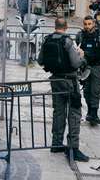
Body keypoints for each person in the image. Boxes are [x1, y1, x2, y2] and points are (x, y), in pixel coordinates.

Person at [38, 18, 89, 162]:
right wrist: (81, 55)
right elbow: (75, 63)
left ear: (55, 26)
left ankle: (56, 143)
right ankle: (73, 148)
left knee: (58, 111)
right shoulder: (68, 41)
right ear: (66, 27)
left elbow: (40, 60)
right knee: (74, 113)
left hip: (55, 80)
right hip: (70, 82)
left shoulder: (47, 40)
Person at [76, 15, 100, 126]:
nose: (87, 26)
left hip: (96, 66)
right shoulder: (80, 35)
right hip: (84, 66)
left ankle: (94, 114)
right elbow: (77, 47)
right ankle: (90, 112)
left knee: (95, 90)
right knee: (86, 91)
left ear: (94, 24)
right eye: (85, 24)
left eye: (89, 24)